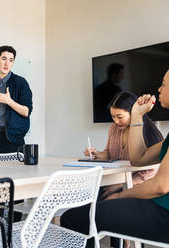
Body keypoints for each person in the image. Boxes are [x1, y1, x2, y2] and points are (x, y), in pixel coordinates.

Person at [61, 69, 169, 247]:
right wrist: (137, 115)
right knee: (91, 206)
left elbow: (160, 186)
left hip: (163, 212)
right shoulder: (119, 128)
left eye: (164, 84)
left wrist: (120, 195)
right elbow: (139, 159)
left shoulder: (152, 132)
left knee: (73, 218)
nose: (159, 88)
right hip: (159, 205)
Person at [85, 91, 163, 200]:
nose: (116, 121)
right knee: (88, 197)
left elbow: (152, 171)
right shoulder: (114, 129)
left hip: (138, 187)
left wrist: (122, 184)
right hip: (117, 181)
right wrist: (96, 153)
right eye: (113, 116)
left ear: (133, 112)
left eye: (120, 116)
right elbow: (109, 155)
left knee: (99, 201)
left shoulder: (149, 133)